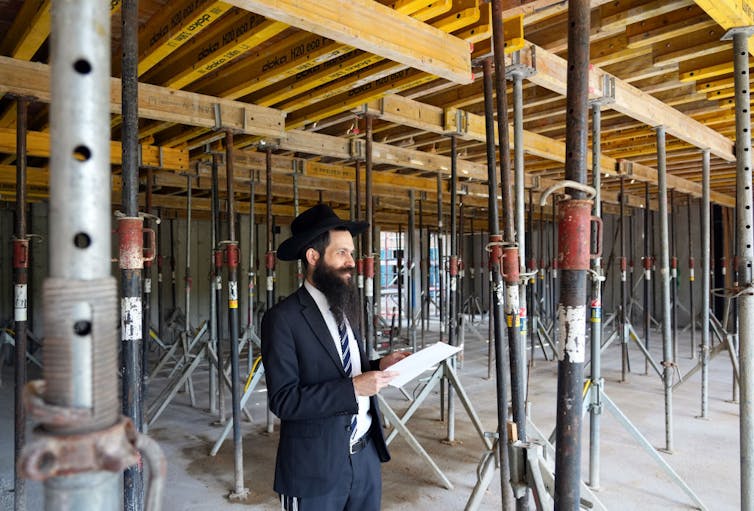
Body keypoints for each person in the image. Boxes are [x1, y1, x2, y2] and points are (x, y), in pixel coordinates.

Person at [261, 203, 408, 511]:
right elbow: (284, 400)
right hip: (314, 468)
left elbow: (344, 366)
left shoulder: (345, 305)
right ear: (313, 257)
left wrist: (379, 365)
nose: (352, 262)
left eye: (351, 253)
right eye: (341, 253)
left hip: (365, 458)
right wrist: (354, 389)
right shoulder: (283, 319)